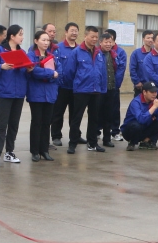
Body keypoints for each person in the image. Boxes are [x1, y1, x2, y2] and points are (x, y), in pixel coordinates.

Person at [0, 25, 27, 166]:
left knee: (14, 124)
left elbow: (24, 70)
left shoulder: (22, 52)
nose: (22, 37)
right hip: (4, 92)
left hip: (19, 93)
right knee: (1, 125)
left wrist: (29, 68)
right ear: (12, 36)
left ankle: (9, 152)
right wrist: (1, 67)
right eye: (20, 34)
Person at [64, 25, 107, 154]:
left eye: (96, 37)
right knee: (76, 118)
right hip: (81, 90)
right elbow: (69, 72)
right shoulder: (76, 52)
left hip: (96, 90)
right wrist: (77, 85)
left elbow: (102, 72)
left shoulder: (99, 53)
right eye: (92, 37)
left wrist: (102, 88)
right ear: (85, 36)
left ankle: (92, 143)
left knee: (94, 118)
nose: (94, 39)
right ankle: (73, 143)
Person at [27, 29, 59, 162]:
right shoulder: (31, 55)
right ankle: (34, 151)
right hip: (36, 93)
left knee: (47, 123)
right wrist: (50, 73)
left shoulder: (52, 56)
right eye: (43, 40)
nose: (46, 43)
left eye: (48, 40)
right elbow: (34, 72)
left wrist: (51, 74)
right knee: (36, 122)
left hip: (50, 93)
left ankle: (44, 150)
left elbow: (59, 71)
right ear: (36, 41)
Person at [51, 22, 82, 146]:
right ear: (66, 32)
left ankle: (75, 136)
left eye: (76, 31)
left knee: (75, 114)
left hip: (76, 87)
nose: (74, 33)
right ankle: (56, 136)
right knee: (58, 113)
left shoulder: (80, 49)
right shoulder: (58, 48)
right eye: (72, 30)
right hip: (61, 87)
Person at [121, 81, 158, 150]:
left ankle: (147, 141)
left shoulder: (154, 102)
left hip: (144, 129)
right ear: (144, 92)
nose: (154, 94)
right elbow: (141, 119)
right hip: (130, 131)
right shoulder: (136, 102)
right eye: (152, 92)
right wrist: (154, 107)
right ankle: (132, 143)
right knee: (136, 125)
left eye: (155, 92)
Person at [98, 30, 126, 147]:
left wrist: (116, 85)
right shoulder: (96, 54)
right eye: (106, 41)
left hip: (112, 88)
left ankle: (107, 138)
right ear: (100, 42)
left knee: (110, 113)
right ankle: (94, 136)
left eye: (110, 41)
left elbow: (120, 70)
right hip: (99, 89)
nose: (109, 44)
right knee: (97, 113)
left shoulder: (115, 54)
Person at [129, 30, 154, 94]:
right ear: (143, 39)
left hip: (153, 86)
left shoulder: (155, 53)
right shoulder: (136, 53)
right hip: (141, 86)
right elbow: (132, 69)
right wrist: (137, 82)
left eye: (152, 38)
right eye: (148, 38)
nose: (150, 40)